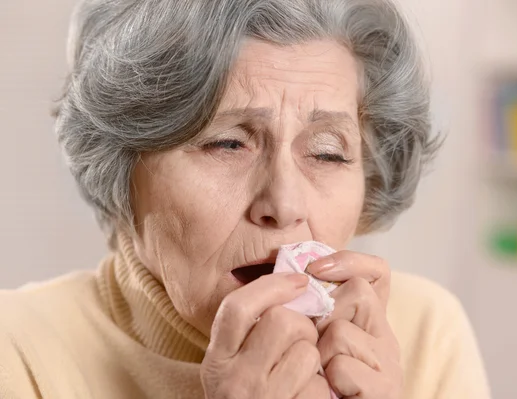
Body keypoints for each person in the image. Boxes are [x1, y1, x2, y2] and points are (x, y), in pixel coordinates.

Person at [0, 0, 490, 398]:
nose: (284, 203)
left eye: (326, 153)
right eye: (227, 144)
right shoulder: (18, 349)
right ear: (121, 166)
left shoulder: (425, 330)